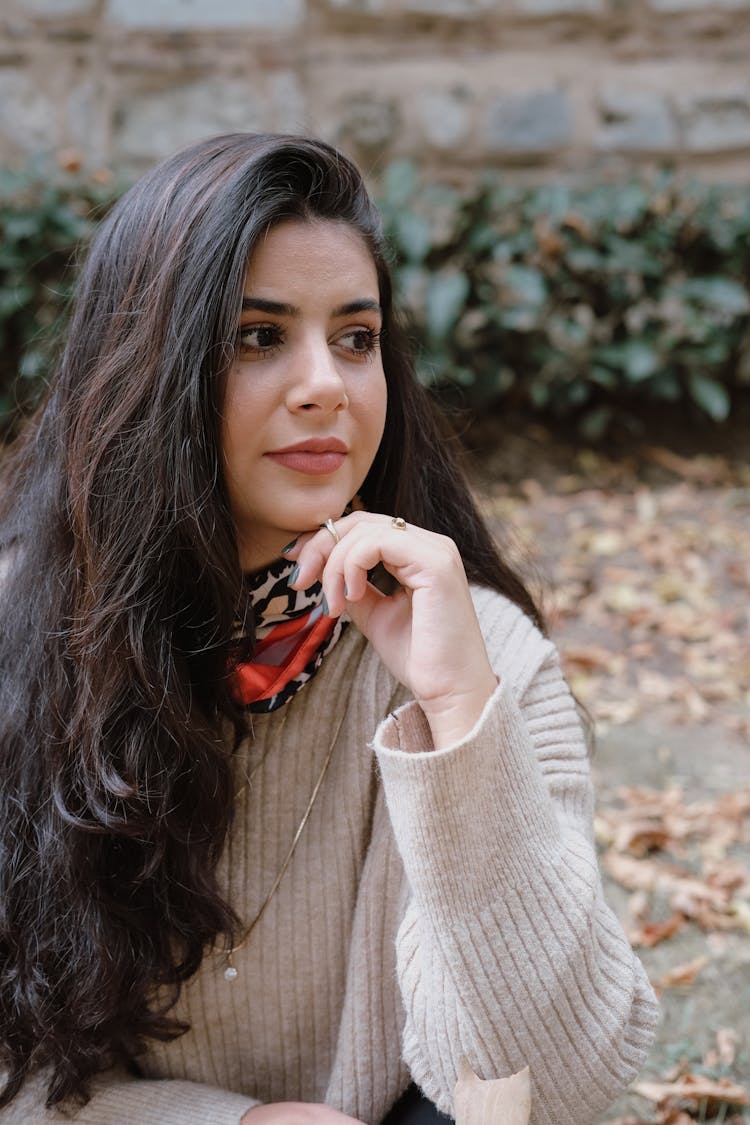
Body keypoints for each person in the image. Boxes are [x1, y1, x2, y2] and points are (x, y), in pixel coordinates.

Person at [0, 133, 658, 1125]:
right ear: (146, 372)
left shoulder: (482, 654)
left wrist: (458, 719)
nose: (328, 386)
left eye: (356, 339)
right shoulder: (26, 632)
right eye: (258, 336)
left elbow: (555, 1088)